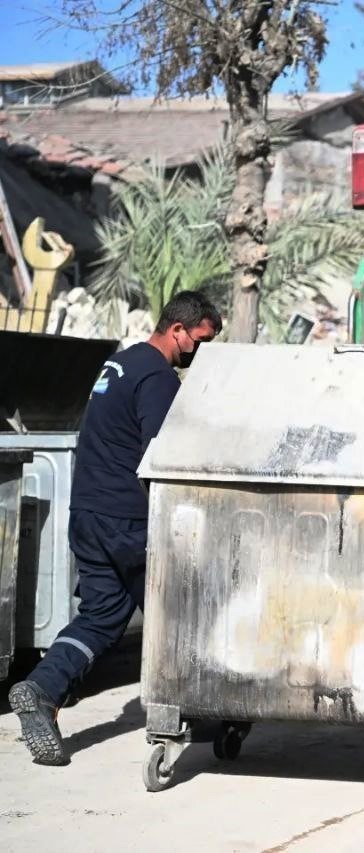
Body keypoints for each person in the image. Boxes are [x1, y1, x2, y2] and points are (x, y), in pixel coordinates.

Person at [8, 291, 222, 765]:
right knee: (181, 614)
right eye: (199, 342)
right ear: (178, 330)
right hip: (128, 520)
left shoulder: (121, 364)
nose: (199, 354)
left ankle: (42, 690)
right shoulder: (158, 378)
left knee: (101, 616)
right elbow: (162, 455)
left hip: (87, 514)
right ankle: (207, 710)